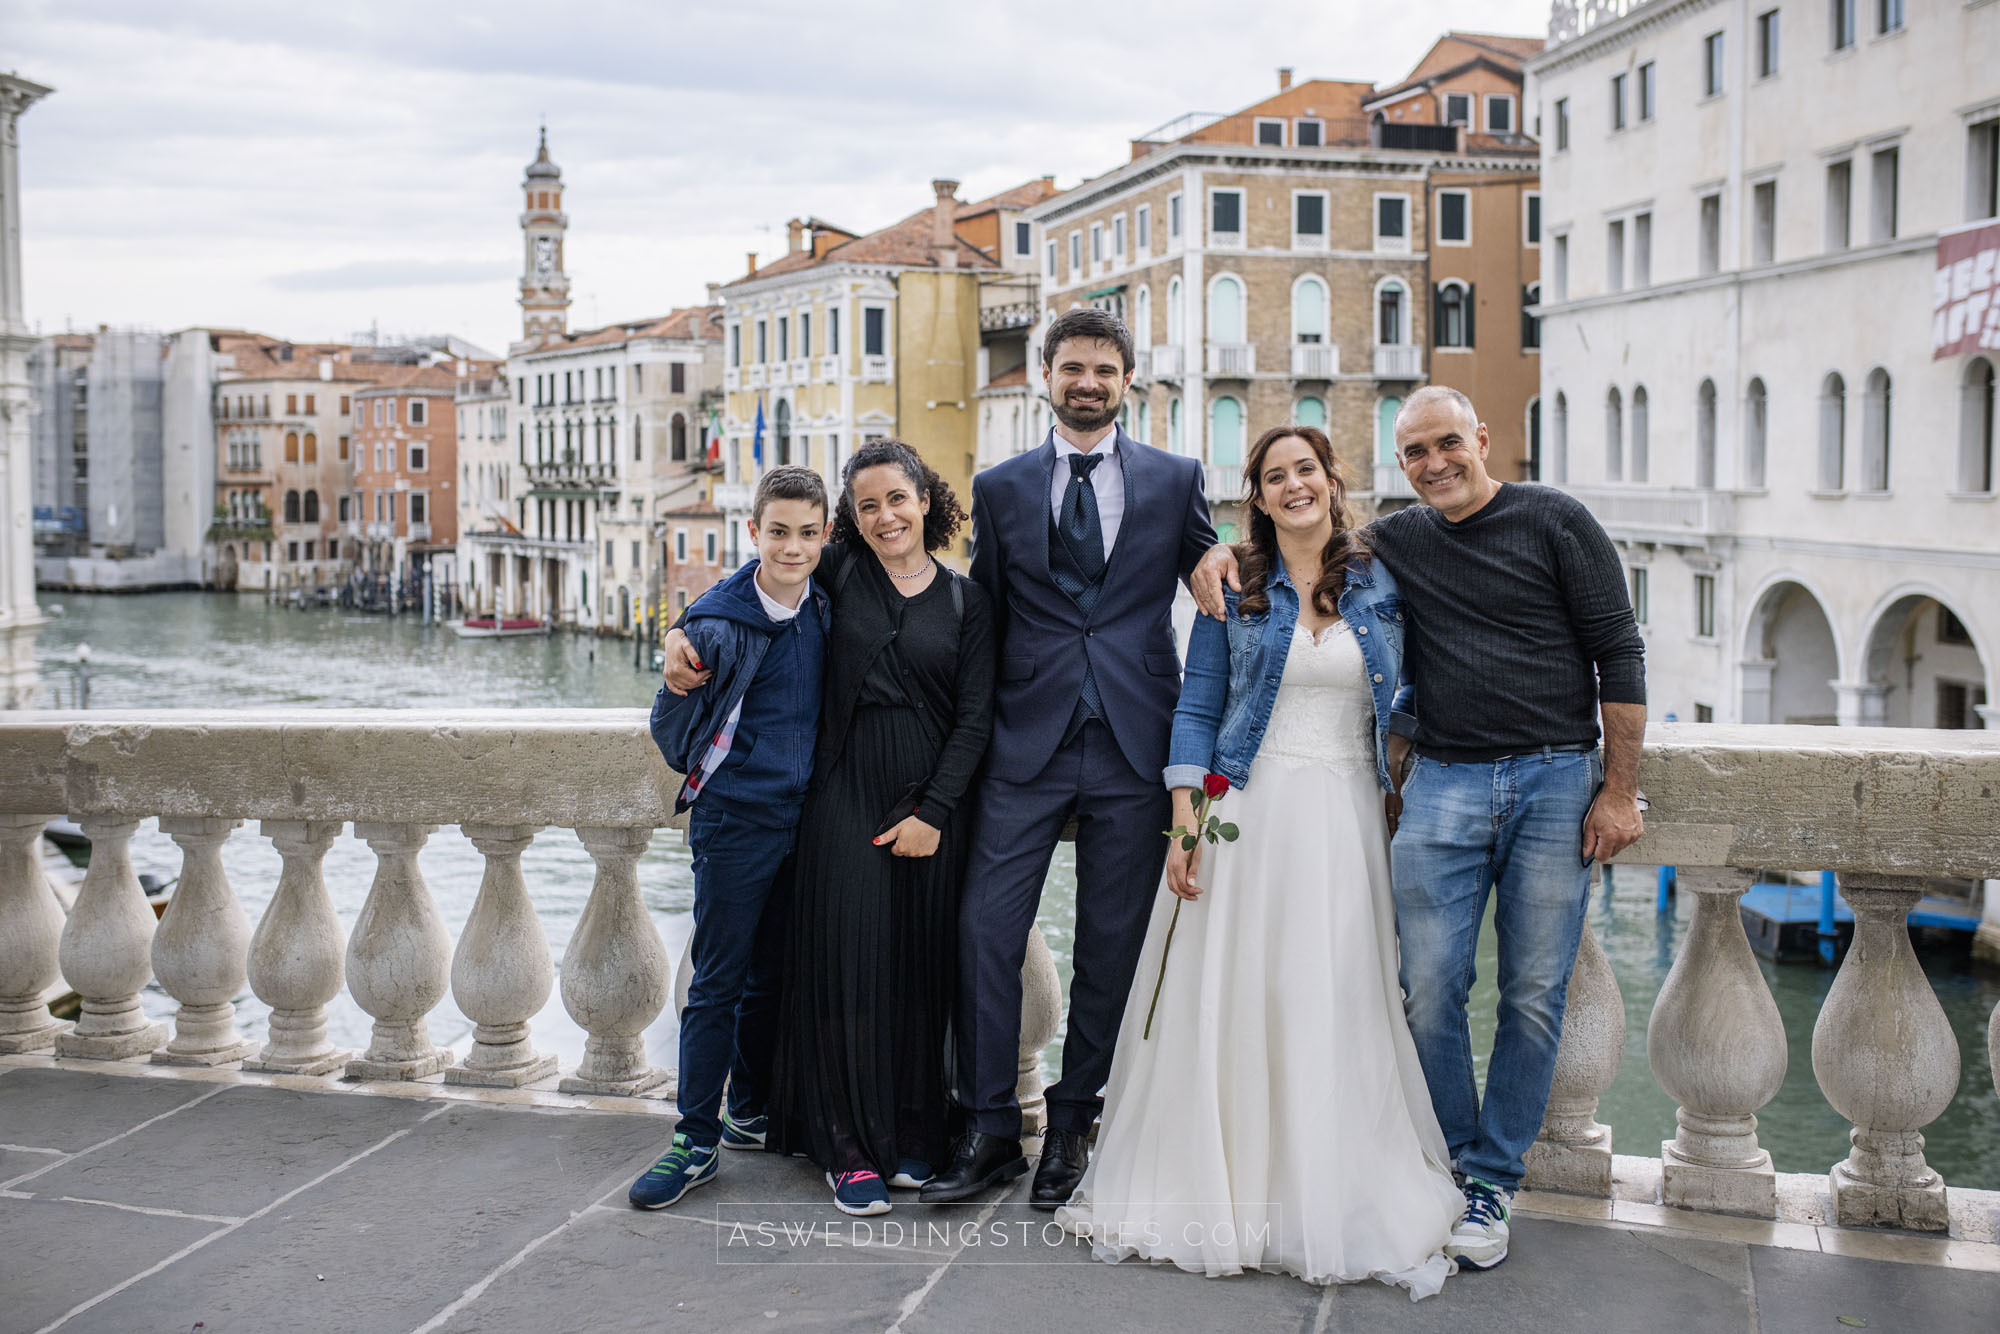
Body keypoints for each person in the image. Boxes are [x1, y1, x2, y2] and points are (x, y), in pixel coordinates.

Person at [1192, 385, 1646, 1270]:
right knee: (1427, 986)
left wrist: (1619, 791)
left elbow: (1618, 650)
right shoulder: (1391, 547)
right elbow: (1298, 541)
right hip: (1439, 779)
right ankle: (1447, 1154)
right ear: (1398, 468)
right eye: (1416, 454)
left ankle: (1492, 1180)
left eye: (1449, 444)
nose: (1436, 463)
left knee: (1530, 991)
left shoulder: (1558, 520)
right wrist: (1214, 553)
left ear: (1482, 437)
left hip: (1558, 775)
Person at [1061, 425, 1461, 1296]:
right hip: (1246, 805)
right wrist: (1186, 816)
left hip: (1349, 817)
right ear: (1258, 494)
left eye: (1305, 471)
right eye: (1275, 477)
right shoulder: (1235, 585)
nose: (1293, 487)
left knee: (1332, 992)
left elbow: (1417, 689)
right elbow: (1198, 703)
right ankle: (1227, 1188)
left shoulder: (1381, 577)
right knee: (1241, 994)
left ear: (1331, 478)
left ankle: (1323, 1186)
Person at [919, 307, 1218, 1209]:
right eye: (1072, 367)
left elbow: (1216, 577)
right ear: (1045, 374)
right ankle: (991, 1128)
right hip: (1024, 743)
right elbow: (980, 617)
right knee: (984, 930)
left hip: (1135, 744)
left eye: (1104, 369)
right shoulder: (1001, 486)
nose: (1088, 382)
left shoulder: (1176, 480)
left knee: (1111, 945)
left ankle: (1075, 1121)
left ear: (1129, 380)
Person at [763, 440, 995, 1217]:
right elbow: (760, 584)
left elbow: (975, 721)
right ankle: (848, 1149)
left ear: (925, 499)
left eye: (897, 498)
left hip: (932, 806)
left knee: (921, 978)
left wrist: (934, 813)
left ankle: (910, 1132)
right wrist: (680, 634)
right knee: (848, 973)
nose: (885, 515)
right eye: (866, 506)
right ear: (849, 521)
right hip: (845, 796)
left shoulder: (968, 601)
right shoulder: (838, 572)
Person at [628, 465, 830, 1211]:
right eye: (778, 531)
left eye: (808, 533)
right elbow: (668, 724)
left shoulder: (825, 606)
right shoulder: (715, 626)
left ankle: (747, 1108)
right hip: (735, 823)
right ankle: (693, 1139)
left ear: (825, 536)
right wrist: (676, 632)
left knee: (772, 974)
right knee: (716, 982)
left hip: (806, 820)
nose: (793, 547)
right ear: (753, 533)